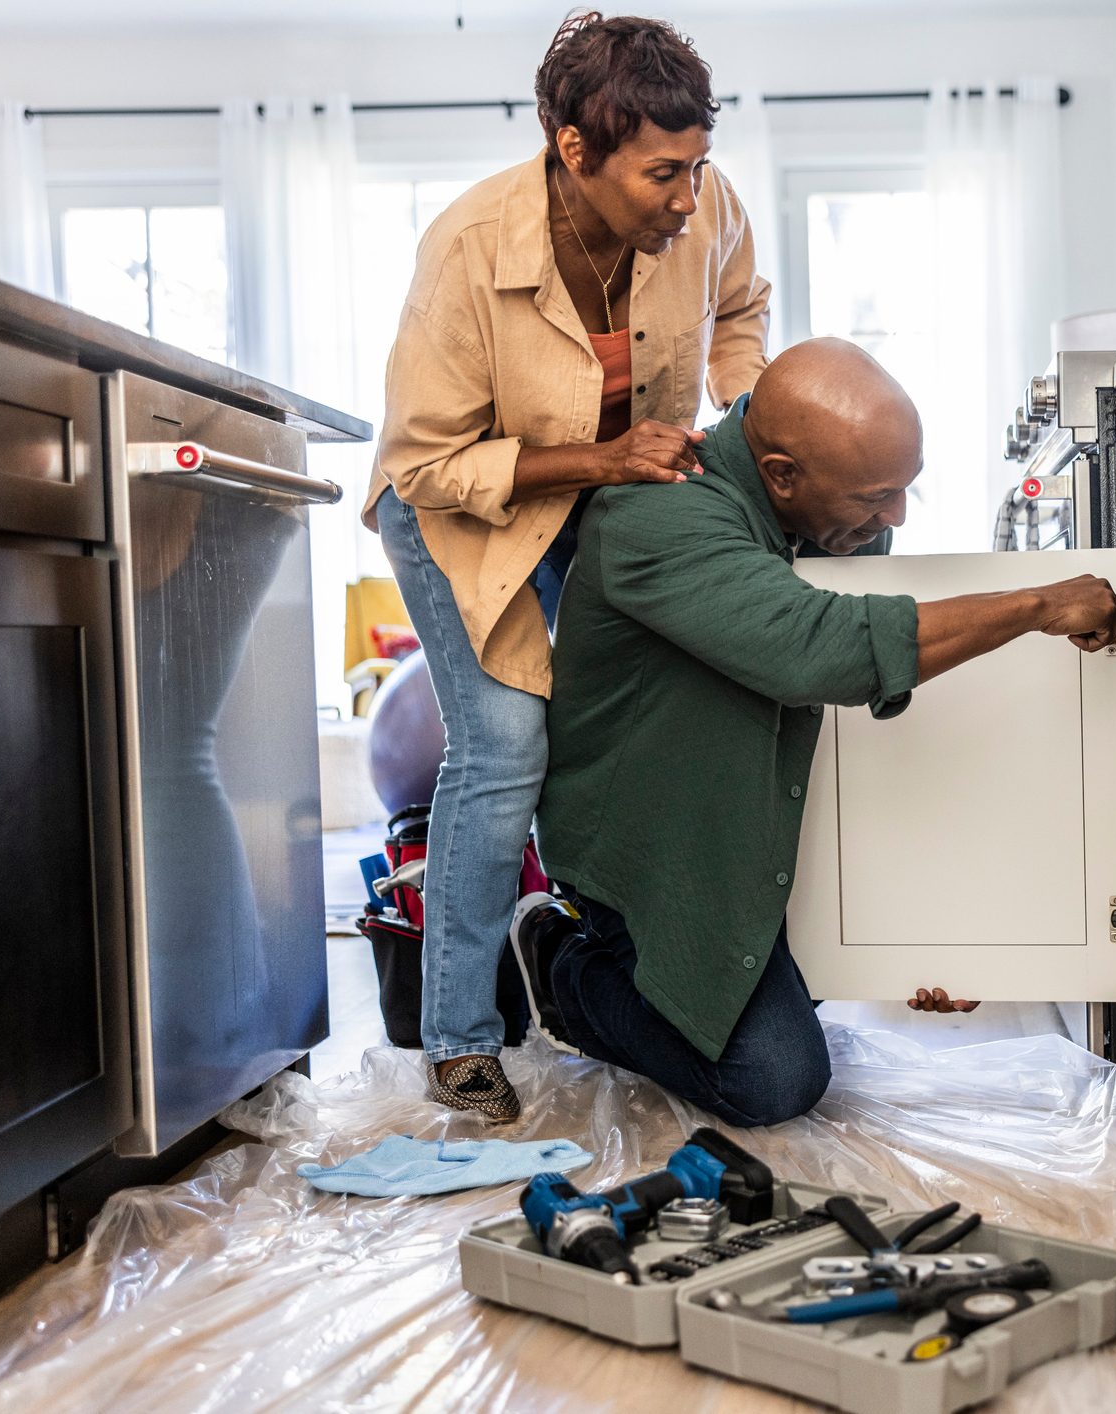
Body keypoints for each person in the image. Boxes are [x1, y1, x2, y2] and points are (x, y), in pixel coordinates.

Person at [511, 339, 1116, 1127]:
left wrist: (946, 931)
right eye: (876, 498)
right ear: (780, 474)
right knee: (772, 1078)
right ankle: (558, 965)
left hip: (758, 809)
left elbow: (888, 728)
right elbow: (822, 651)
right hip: (656, 853)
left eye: (906, 492)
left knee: (790, 1006)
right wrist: (1035, 606)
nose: (894, 519)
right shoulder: (658, 509)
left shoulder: (829, 518)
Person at [362, 12, 770, 1121]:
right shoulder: (466, 248)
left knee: (621, 724)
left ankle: (595, 969)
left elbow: (740, 300)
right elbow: (427, 461)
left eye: (697, 168)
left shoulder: (704, 203)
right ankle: (458, 1038)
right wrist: (601, 454)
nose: (686, 199)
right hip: (463, 510)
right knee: (502, 751)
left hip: (608, 494)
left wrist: (741, 401)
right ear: (572, 148)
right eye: (660, 176)